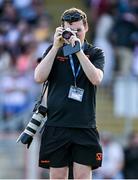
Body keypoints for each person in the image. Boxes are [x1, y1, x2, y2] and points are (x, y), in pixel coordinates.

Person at [34, 7, 105, 179]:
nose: (74, 34)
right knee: (58, 176)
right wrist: (55, 46)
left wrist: (78, 50)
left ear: (86, 27)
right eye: (70, 31)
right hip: (57, 124)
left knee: (82, 177)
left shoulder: (95, 52)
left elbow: (96, 78)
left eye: (78, 30)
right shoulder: (54, 50)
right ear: (62, 29)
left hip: (84, 125)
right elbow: (39, 77)